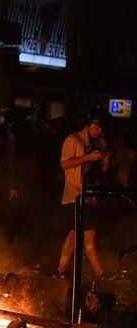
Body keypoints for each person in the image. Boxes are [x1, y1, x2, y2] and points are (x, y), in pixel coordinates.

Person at [53, 113, 109, 280]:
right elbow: (64, 163)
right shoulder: (73, 140)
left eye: (101, 128)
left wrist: (104, 162)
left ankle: (60, 269)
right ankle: (101, 273)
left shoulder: (99, 143)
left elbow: (102, 172)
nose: (99, 131)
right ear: (89, 123)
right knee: (88, 234)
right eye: (97, 126)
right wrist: (88, 157)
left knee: (73, 233)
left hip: (90, 195)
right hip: (74, 195)